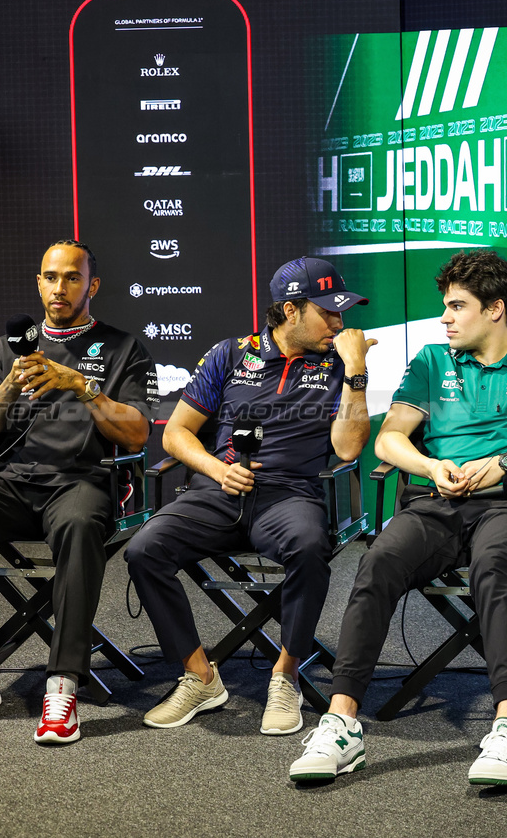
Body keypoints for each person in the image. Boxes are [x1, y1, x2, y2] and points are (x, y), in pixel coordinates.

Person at [288, 249, 507, 787]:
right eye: (445, 306)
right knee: (379, 559)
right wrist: (432, 465)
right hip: (436, 502)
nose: (445, 317)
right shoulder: (432, 361)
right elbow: (389, 438)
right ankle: (341, 721)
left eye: (457, 306)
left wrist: (501, 462)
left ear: (496, 309)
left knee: (495, 564)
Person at [124, 257, 373, 735]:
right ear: (290, 311)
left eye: (343, 312)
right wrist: (218, 469)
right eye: (328, 313)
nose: (340, 323)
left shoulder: (341, 360)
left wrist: (357, 372)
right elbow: (176, 435)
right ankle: (199, 677)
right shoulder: (230, 354)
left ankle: (285, 674)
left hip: (290, 496)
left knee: (308, 545)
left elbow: (346, 447)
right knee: (143, 549)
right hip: (220, 489)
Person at [0, 239, 157, 745]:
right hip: (11, 481)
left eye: (72, 277)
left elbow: (139, 434)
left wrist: (81, 384)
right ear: (39, 282)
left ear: (91, 285)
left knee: (78, 525)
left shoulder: (124, 347)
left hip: (83, 481)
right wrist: (9, 386)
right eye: (50, 277)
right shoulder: (4, 350)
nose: (60, 287)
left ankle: (63, 682)